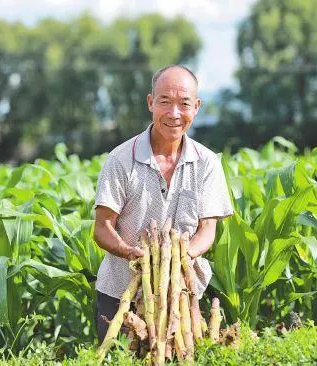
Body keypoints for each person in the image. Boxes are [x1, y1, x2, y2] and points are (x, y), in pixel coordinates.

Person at [93, 65, 233, 343]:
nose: (174, 114)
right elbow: (102, 227)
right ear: (150, 103)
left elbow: (208, 229)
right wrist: (128, 252)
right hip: (122, 293)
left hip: (184, 292)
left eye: (184, 104)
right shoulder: (121, 159)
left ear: (197, 107)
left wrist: (182, 257)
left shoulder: (207, 163)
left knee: (181, 352)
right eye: (165, 102)